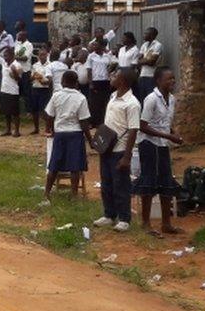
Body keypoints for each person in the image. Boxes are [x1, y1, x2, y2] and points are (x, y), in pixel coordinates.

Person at [133, 67, 184, 237]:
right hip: (149, 143)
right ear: (158, 81)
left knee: (166, 180)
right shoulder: (151, 99)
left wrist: (173, 133)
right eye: (168, 79)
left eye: (173, 79)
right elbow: (143, 125)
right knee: (149, 180)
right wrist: (168, 135)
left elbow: (166, 121)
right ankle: (146, 223)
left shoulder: (172, 99)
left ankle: (166, 223)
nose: (172, 82)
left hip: (163, 144)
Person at [93, 68, 141, 233]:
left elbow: (133, 130)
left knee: (121, 185)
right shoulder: (113, 96)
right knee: (106, 183)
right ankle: (109, 214)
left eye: (115, 75)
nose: (112, 77)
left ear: (123, 81)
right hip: (107, 147)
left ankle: (124, 218)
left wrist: (127, 157)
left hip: (120, 150)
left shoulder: (132, 103)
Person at [43, 70, 93, 203]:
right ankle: (74, 195)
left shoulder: (56, 96)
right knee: (75, 167)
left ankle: (47, 193)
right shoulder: (81, 98)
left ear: (62, 82)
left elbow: (49, 115)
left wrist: (50, 129)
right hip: (76, 134)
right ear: (76, 83)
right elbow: (83, 122)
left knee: (54, 165)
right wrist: (90, 140)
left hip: (60, 133)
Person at [86, 40, 115, 127]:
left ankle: (102, 122)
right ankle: (93, 122)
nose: (94, 47)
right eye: (93, 45)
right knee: (94, 102)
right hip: (95, 81)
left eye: (96, 45)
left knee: (104, 101)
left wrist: (110, 78)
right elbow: (89, 70)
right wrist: (90, 83)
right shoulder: (91, 56)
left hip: (105, 81)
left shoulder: (107, 56)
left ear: (102, 46)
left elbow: (111, 67)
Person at [0, 47, 22, 137]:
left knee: (15, 113)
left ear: (12, 56)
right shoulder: (4, 63)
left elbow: (19, 79)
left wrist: (14, 72)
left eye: (6, 55)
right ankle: (8, 129)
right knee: (6, 112)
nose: (5, 57)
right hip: (4, 90)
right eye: (4, 56)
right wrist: (4, 47)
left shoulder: (17, 65)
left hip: (13, 91)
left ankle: (17, 130)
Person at [29, 47, 52, 135]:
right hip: (35, 88)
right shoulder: (35, 65)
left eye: (43, 55)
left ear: (47, 55)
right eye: (40, 55)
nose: (42, 57)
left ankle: (48, 128)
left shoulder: (49, 65)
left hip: (45, 89)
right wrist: (34, 76)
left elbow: (50, 79)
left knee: (44, 110)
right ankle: (36, 128)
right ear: (38, 56)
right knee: (34, 110)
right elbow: (30, 79)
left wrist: (42, 79)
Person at [137, 27, 163, 101]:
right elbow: (138, 61)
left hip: (152, 76)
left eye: (146, 33)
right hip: (142, 75)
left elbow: (152, 62)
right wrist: (146, 60)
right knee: (142, 98)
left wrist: (144, 61)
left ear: (151, 35)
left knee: (151, 98)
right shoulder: (144, 45)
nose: (144, 35)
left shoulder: (157, 45)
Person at [14, 30, 33, 112]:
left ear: (24, 36)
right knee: (18, 91)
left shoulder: (28, 45)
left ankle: (29, 110)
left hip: (25, 71)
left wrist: (14, 58)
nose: (17, 37)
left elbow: (25, 58)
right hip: (18, 71)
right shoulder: (18, 45)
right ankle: (19, 109)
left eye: (19, 36)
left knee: (26, 92)